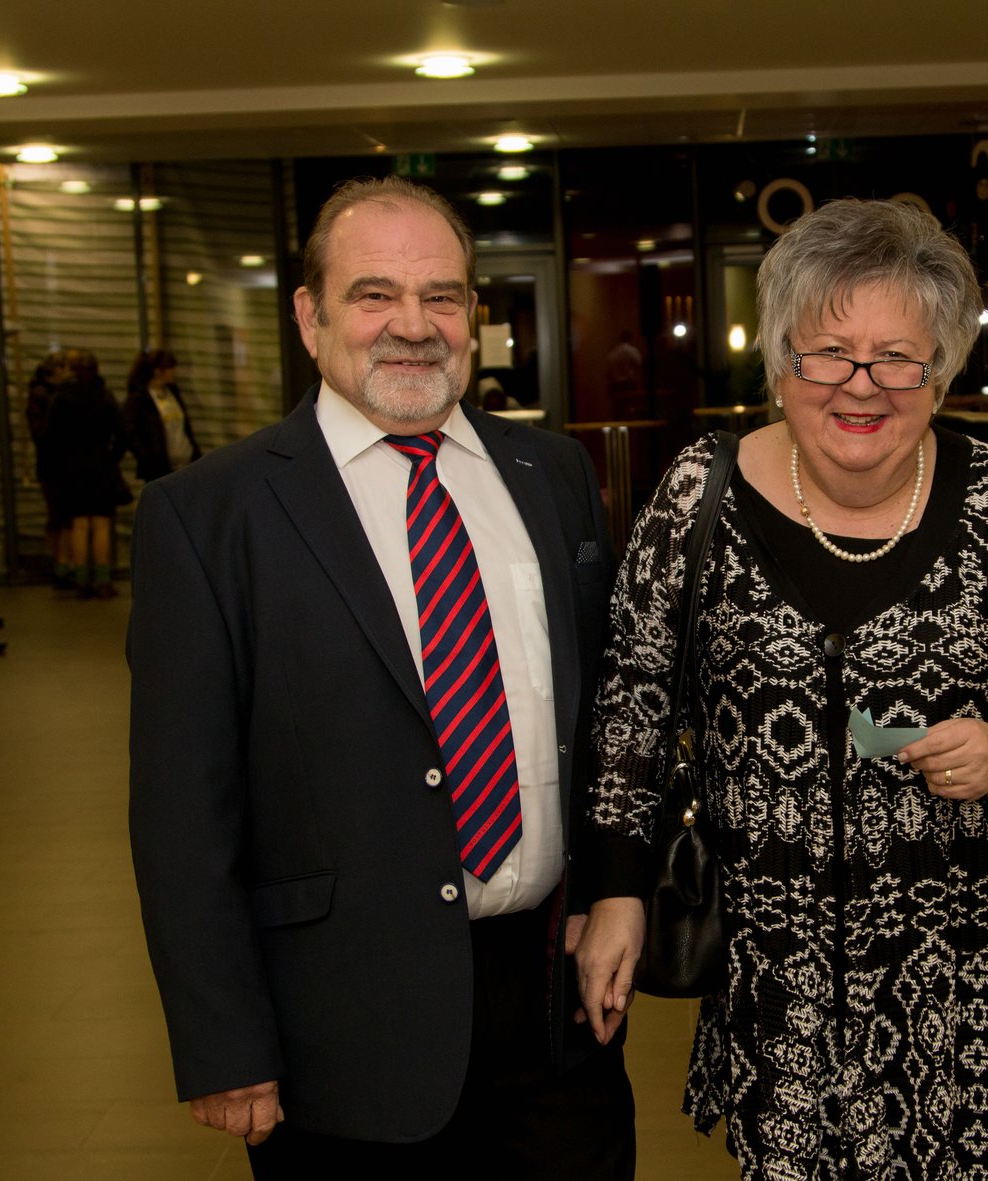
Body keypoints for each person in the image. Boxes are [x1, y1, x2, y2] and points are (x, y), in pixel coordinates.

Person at [575, 198, 988, 1180]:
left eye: (896, 357)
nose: (860, 385)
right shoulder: (696, 496)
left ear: (940, 369)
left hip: (969, 987)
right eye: (828, 353)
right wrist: (615, 889)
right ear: (780, 362)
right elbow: (630, 705)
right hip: (777, 986)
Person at [127, 176, 633, 1179]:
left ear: (471, 315)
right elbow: (182, 813)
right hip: (340, 1035)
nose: (413, 324)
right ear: (309, 316)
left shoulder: (553, 474)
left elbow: (610, 714)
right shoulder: (209, 516)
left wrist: (617, 885)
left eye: (440, 295)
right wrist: (225, 1043)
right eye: (374, 294)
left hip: (554, 1014)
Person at [40, 349, 130, 598]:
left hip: (72, 470)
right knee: (102, 525)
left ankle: (81, 580)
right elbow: (122, 434)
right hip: (101, 467)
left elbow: (50, 437)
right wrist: (111, 458)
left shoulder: (62, 397)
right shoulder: (104, 396)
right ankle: (103, 579)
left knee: (78, 525)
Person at [24, 351, 75, 587]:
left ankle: (62, 562)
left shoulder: (52, 394)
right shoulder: (46, 396)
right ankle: (60, 562)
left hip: (56, 464)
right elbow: (42, 433)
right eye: (65, 368)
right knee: (60, 517)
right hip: (55, 466)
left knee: (61, 517)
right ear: (55, 372)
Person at [124, 348, 202, 481]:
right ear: (158, 371)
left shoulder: (173, 393)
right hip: (160, 469)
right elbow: (133, 434)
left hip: (185, 462)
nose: (175, 372)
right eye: (171, 368)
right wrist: (149, 458)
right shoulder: (140, 399)